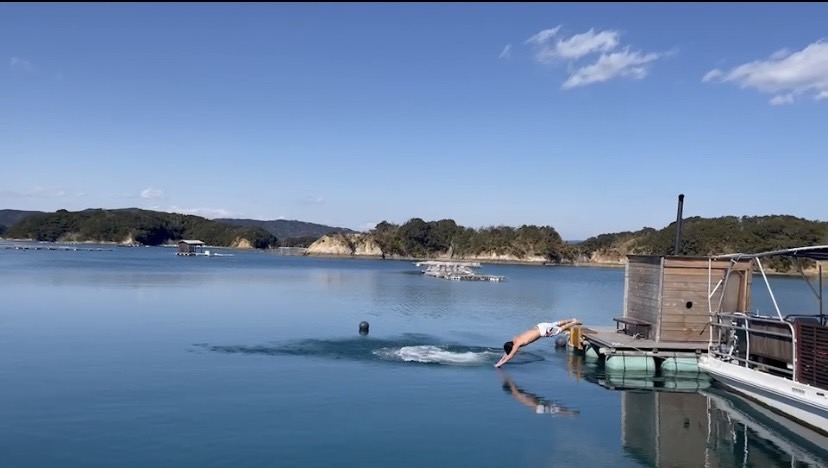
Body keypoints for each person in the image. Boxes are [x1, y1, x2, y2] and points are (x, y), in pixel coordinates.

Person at [494, 318, 582, 368]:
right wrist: (501, 360)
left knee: (559, 329)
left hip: (543, 331)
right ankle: (572, 319)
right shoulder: (515, 339)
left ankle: (575, 322)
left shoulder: (517, 344)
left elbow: (510, 356)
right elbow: (507, 353)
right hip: (539, 326)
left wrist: (499, 364)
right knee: (556, 323)